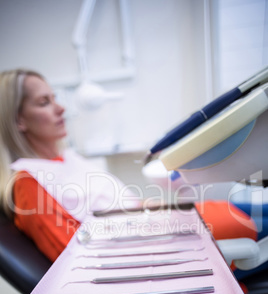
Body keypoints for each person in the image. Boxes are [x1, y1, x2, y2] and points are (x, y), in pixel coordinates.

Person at [0, 68, 257, 264]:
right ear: (19, 120)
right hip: (140, 243)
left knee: (250, 210)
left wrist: (154, 206)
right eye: (44, 103)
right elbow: (72, 257)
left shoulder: (68, 158)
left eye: (54, 98)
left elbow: (115, 203)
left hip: (150, 222)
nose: (61, 108)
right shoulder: (28, 182)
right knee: (245, 223)